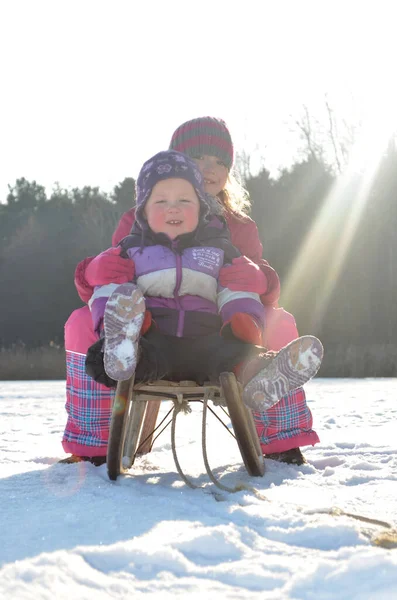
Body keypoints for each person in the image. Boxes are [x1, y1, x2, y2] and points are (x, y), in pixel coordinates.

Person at [62, 117, 320, 466]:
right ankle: (95, 443)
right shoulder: (139, 220)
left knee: (279, 320)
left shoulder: (238, 228)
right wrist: (91, 273)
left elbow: (257, 291)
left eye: (220, 161)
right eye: (198, 158)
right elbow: (116, 281)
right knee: (81, 322)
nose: (210, 168)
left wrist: (262, 281)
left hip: (216, 333)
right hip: (155, 333)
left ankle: (280, 435)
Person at [84, 149, 323, 414]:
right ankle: (123, 351)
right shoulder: (130, 252)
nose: (173, 207)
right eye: (160, 201)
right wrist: (110, 325)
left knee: (235, 354)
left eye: (184, 200)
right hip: (154, 339)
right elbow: (110, 290)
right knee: (121, 357)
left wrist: (244, 321)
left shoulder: (219, 251)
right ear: (143, 212)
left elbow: (236, 290)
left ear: (201, 208)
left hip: (207, 341)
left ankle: (261, 376)